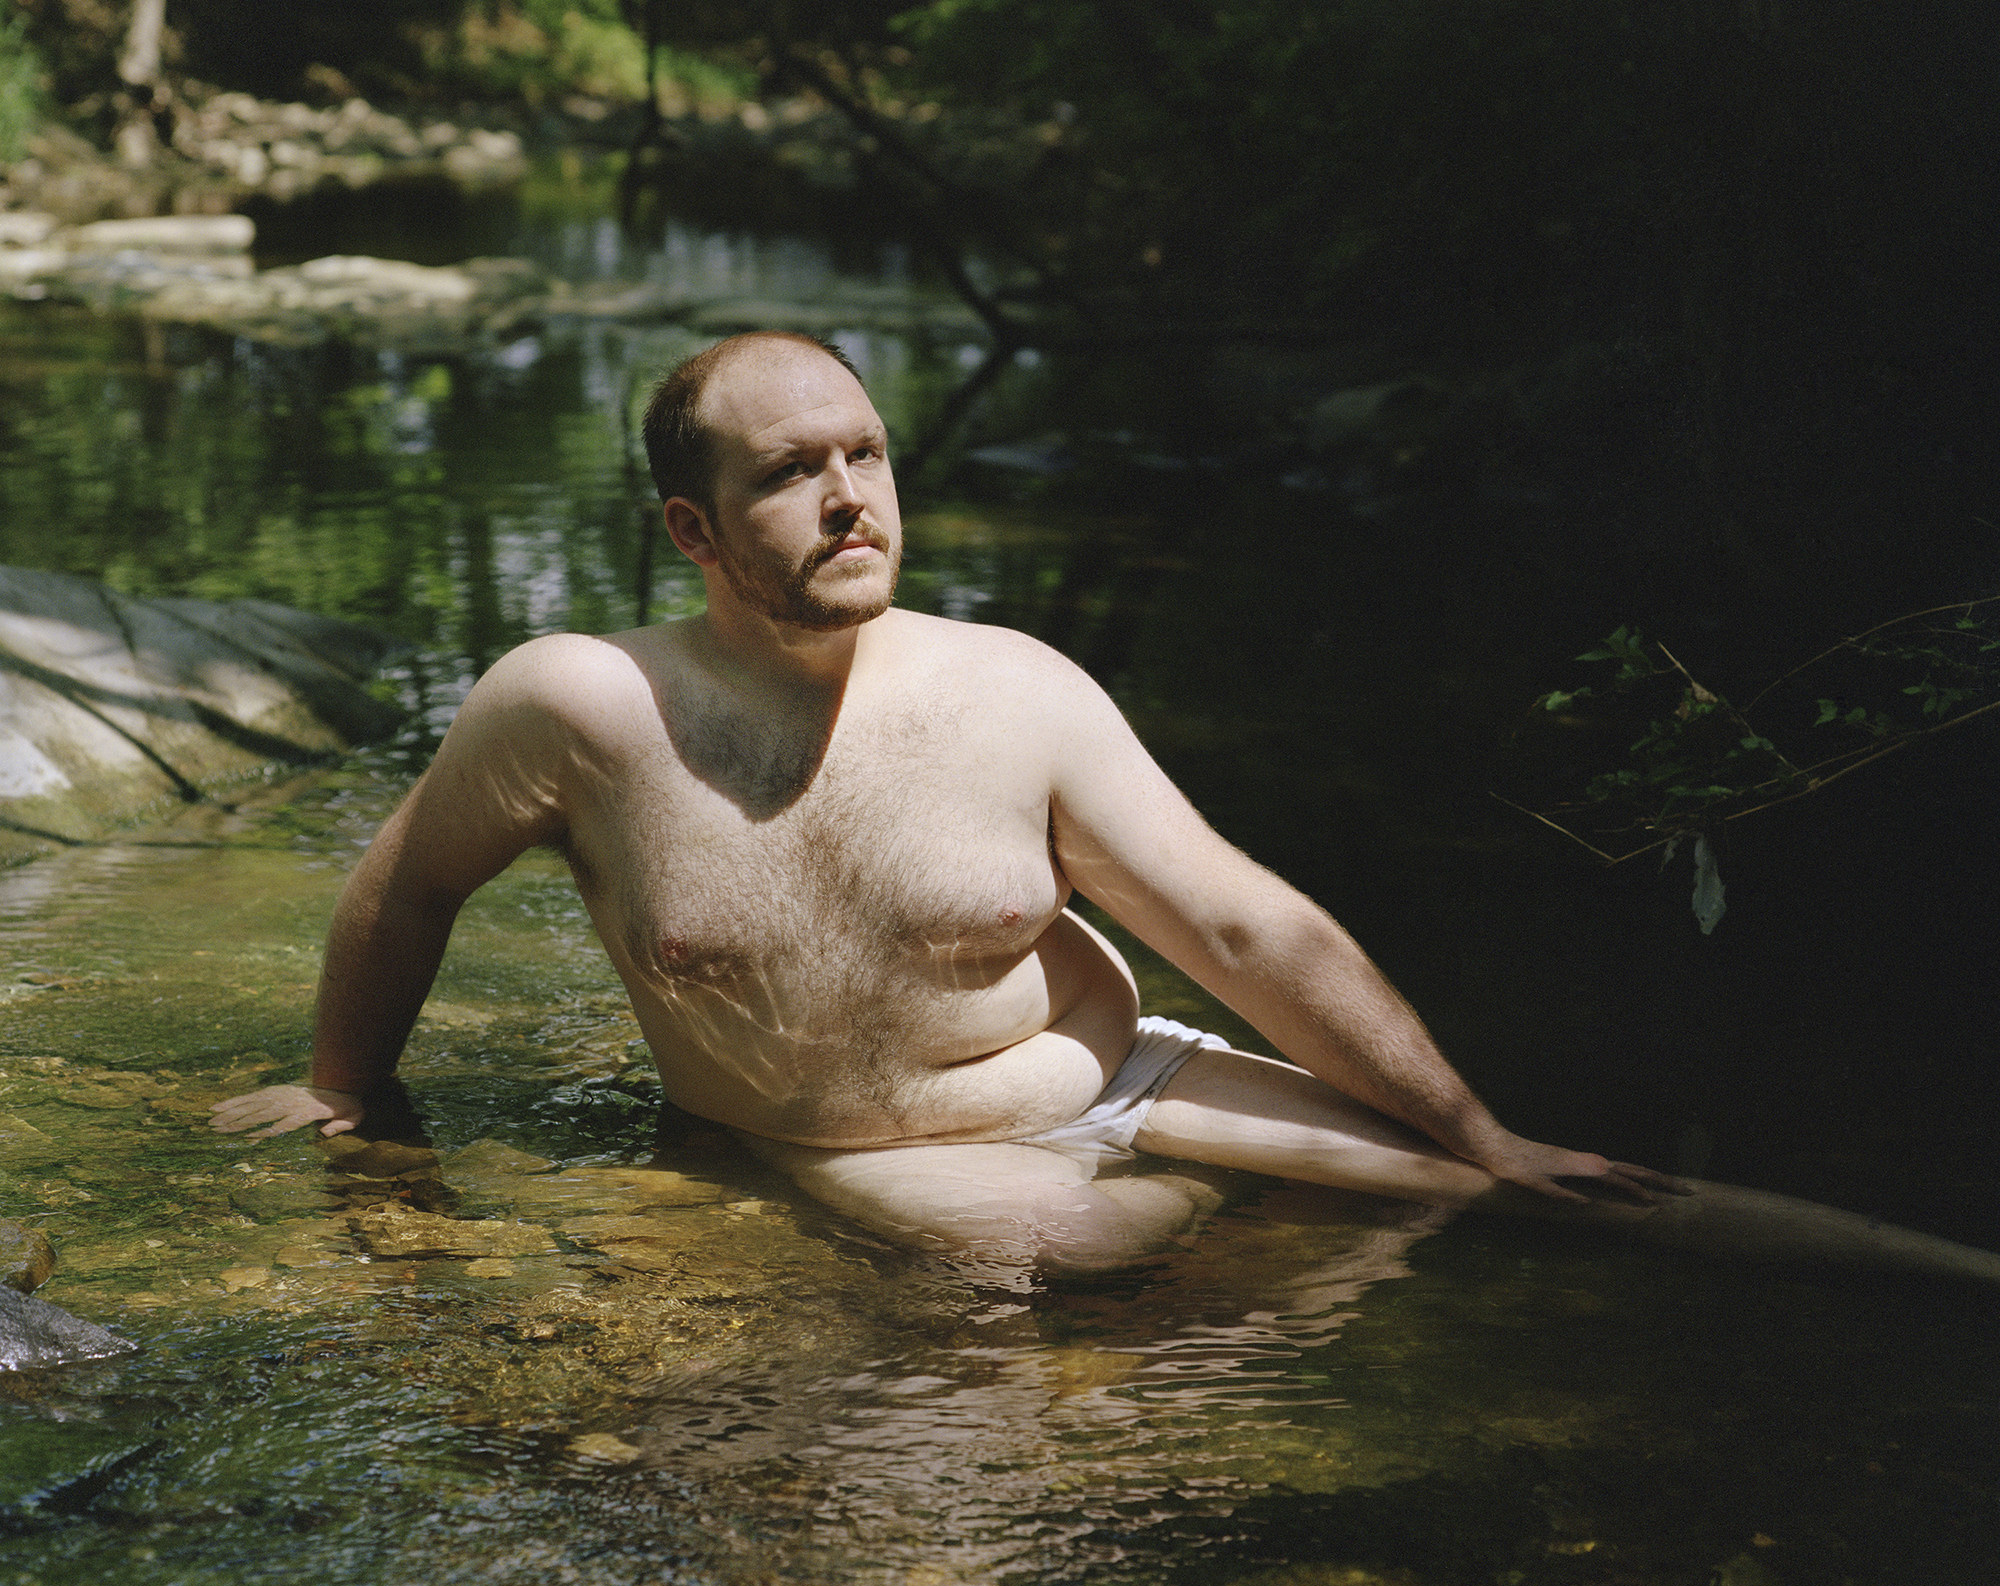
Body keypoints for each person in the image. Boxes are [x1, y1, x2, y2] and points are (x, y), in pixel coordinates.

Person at [213, 332, 2000, 1287]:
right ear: (692, 530)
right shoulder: (581, 708)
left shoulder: (1017, 687)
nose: (850, 500)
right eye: (789, 475)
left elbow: (1240, 925)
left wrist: (1479, 1129)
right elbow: (405, 884)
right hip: (873, 1152)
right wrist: (344, 1090)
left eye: (867, 456)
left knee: (1568, 1196)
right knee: (1082, 1260)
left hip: (1118, 1069)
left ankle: (1958, 1281)